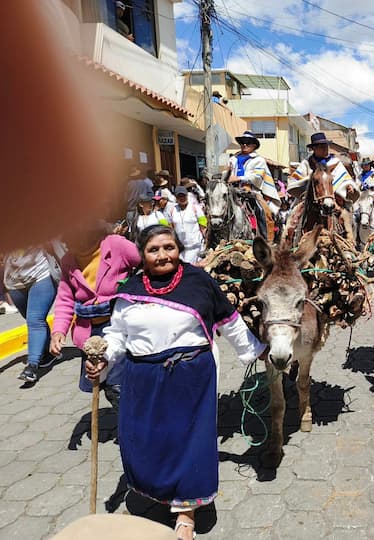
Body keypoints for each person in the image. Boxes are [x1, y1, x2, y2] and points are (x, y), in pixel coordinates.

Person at [85, 225, 266, 540]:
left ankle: (185, 513)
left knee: (188, 442)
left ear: (178, 248)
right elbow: (117, 334)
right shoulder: (130, 289)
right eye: (153, 250)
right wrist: (103, 357)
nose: (162, 255)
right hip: (141, 378)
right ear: (142, 255)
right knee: (142, 440)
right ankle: (156, 493)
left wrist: (255, 350)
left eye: (168, 247)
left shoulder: (199, 282)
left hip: (189, 376)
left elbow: (229, 320)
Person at [50, 223, 140, 409]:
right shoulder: (69, 260)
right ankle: (131, 419)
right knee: (103, 381)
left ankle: (136, 425)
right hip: (91, 332)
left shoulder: (116, 245)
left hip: (120, 326)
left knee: (118, 386)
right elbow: (65, 299)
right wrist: (58, 331)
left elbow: (146, 262)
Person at [4, 247, 59, 382]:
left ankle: (32, 366)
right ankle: (47, 353)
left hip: (41, 275)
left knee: (35, 320)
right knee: (32, 318)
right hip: (13, 282)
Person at [228, 131, 281, 240]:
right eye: (242, 142)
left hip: (251, 192)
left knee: (262, 211)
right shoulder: (232, 159)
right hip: (232, 191)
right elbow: (228, 173)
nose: (244, 145)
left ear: (254, 145)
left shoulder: (259, 160)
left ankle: (265, 238)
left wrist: (239, 178)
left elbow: (258, 177)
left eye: (247, 143)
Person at [287, 132, 359, 205]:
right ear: (314, 148)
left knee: (346, 213)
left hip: (334, 198)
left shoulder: (335, 162)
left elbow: (345, 180)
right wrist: (310, 181)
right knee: (294, 214)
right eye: (321, 146)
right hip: (310, 200)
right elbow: (295, 182)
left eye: (326, 146)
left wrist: (349, 186)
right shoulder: (307, 163)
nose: (325, 149)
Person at [166, 186, 207, 264]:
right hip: (180, 248)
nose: (182, 198)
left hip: (195, 246)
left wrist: (205, 240)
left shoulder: (195, 208)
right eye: (179, 196)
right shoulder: (172, 210)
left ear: (187, 195)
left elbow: (203, 225)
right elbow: (170, 227)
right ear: (176, 197)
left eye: (183, 195)